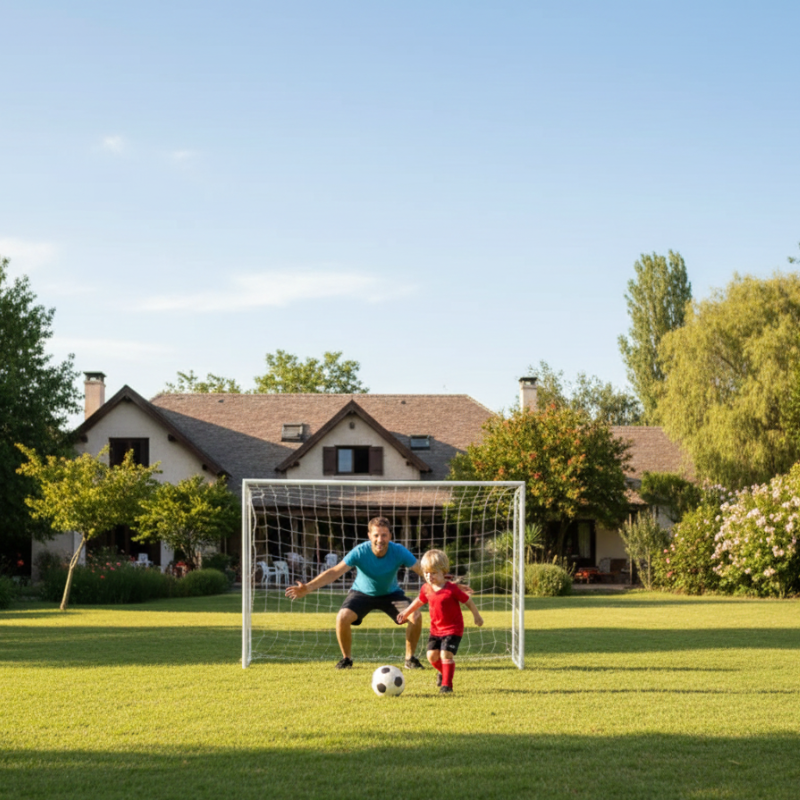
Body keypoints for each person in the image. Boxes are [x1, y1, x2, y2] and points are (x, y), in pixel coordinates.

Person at [285, 516, 425, 670]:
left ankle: (410, 659)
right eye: (376, 535)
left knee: (416, 616)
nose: (380, 539)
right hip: (361, 593)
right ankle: (346, 659)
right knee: (342, 617)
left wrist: (442, 584)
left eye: (384, 535)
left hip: (391, 595)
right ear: (369, 536)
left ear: (390, 536)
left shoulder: (398, 551)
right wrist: (308, 587)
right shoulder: (360, 551)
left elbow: (420, 569)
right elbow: (335, 572)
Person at [397, 548, 483, 694]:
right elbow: (419, 601)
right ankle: (444, 673)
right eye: (426, 573)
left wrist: (477, 616)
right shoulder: (426, 588)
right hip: (436, 630)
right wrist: (406, 612)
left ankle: (447, 686)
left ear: (443, 572)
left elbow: (468, 600)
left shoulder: (452, 589)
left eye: (433, 573)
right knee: (431, 656)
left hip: (453, 629)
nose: (429, 576)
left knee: (445, 655)